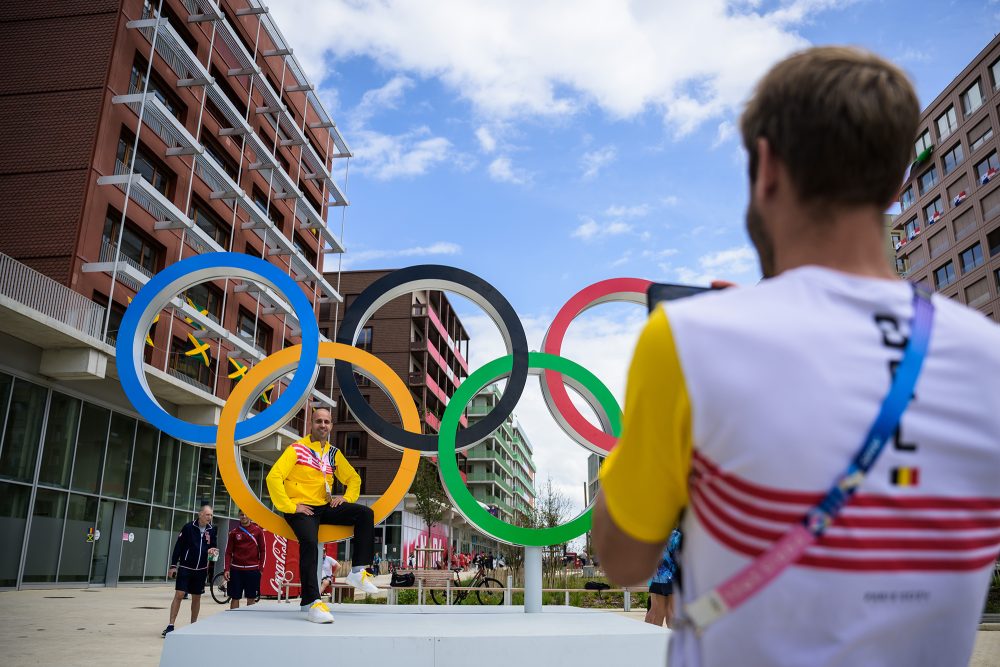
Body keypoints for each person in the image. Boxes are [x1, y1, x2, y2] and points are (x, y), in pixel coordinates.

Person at [593, 46, 1000, 666]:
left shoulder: (691, 340)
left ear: (767, 166)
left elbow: (622, 561)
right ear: (897, 182)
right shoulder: (987, 357)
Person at [266, 407, 379, 624]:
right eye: (319, 421)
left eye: (327, 421)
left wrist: (346, 498)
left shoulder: (333, 453)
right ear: (311, 423)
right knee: (309, 542)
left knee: (365, 514)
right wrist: (290, 506)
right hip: (301, 509)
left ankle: (357, 571)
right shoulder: (296, 449)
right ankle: (313, 603)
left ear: (331, 426)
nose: (323, 425)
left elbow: (354, 479)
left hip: (324, 506)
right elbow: (273, 477)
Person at [162, 504, 218, 637]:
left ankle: (194, 625)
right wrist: (173, 565)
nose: (209, 517)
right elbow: (178, 547)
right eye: (207, 514)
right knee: (179, 594)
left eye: (211, 515)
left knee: (196, 598)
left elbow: (214, 547)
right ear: (200, 514)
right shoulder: (188, 527)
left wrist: (212, 551)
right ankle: (170, 625)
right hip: (186, 567)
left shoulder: (212, 530)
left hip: (201, 569)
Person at [224, 509, 264, 610]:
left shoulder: (258, 531)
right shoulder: (233, 533)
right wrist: (227, 569)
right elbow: (228, 552)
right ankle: (233, 622)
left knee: (251, 598)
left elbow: (263, 551)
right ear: (239, 516)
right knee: (235, 598)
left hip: (252, 570)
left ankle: (249, 624)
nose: (244, 516)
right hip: (236, 570)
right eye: (242, 514)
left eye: (246, 514)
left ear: (250, 516)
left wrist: (261, 568)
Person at [644, 529, 681, 628]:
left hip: (656, 577)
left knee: (656, 611)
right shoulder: (676, 535)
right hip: (671, 578)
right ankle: (673, 638)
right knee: (671, 611)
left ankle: (650, 635)